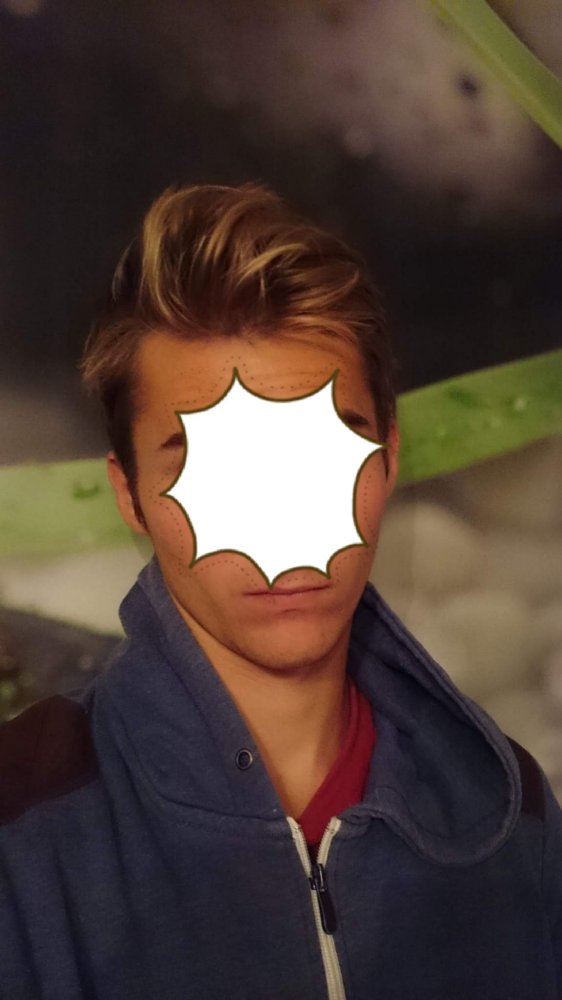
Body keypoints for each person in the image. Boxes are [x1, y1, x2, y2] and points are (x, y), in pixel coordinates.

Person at [1, 183, 561, 1000]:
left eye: (320, 455)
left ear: (387, 461)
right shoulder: (21, 833)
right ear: (130, 496)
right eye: (213, 472)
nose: (278, 535)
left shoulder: (512, 818)